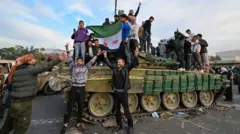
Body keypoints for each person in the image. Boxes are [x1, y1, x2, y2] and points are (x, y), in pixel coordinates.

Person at [0, 53, 67, 134]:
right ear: (29, 61)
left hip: (13, 102)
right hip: (23, 104)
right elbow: (45, 66)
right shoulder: (30, 69)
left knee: (7, 125)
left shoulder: (16, 70)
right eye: (33, 59)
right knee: (21, 128)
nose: (35, 60)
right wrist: (59, 59)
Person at [61, 44, 100, 134]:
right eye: (78, 61)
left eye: (80, 61)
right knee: (69, 107)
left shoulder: (86, 67)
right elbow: (70, 58)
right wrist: (67, 49)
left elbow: (92, 61)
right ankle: (65, 124)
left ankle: (79, 122)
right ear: (76, 62)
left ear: (82, 62)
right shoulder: (73, 66)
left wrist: (97, 54)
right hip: (74, 88)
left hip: (82, 88)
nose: (79, 62)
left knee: (81, 107)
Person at [103, 47, 139, 134]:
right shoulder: (115, 68)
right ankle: (119, 125)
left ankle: (130, 126)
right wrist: (105, 56)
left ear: (123, 63)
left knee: (126, 111)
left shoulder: (126, 68)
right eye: (117, 62)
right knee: (117, 111)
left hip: (123, 93)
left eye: (120, 62)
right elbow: (109, 64)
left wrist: (136, 55)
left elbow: (134, 63)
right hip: (116, 93)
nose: (118, 63)